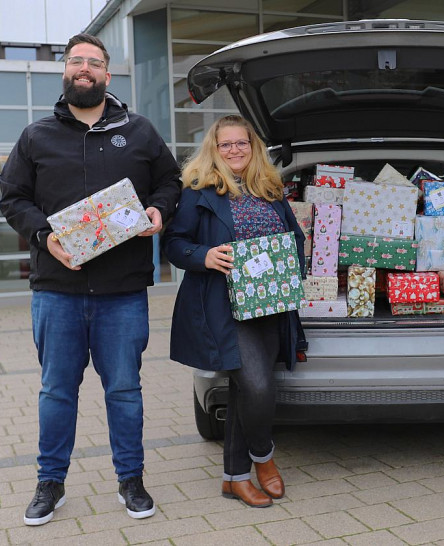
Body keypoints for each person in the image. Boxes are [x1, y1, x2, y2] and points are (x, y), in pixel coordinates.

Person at [0, 34, 181, 525]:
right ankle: (50, 483)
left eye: (93, 62)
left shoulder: (139, 131)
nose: (84, 68)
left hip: (122, 293)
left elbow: (170, 180)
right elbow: (12, 197)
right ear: (65, 72)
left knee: (124, 390)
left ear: (106, 74)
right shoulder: (36, 136)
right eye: (76, 61)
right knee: (56, 391)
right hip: (56, 291)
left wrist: (159, 209)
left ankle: (131, 480)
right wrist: (44, 236)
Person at [162, 115, 306, 508]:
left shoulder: (270, 188)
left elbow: (295, 238)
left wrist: (295, 273)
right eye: (225, 145)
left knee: (247, 390)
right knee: (258, 386)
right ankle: (264, 457)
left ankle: (234, 479)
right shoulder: (198, 189)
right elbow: (174, 243)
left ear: (253, 146)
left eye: (241, 143)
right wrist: (204, 255)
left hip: (271, 304)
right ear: (214, 148)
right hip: (223, 305)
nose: (234, 151)